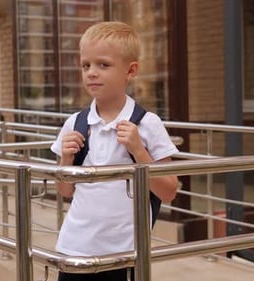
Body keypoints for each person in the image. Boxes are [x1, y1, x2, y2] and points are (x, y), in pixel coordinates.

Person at [51, 21, 179, 281]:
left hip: (124, 255)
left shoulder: (147, 123)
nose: (91, 73)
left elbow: (169, 191)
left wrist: (138, 150)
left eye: (103, 65)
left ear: (130, 71)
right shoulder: (74, 123)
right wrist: (66, 159)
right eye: (86, 65)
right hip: (74, 249)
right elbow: (65, 191)